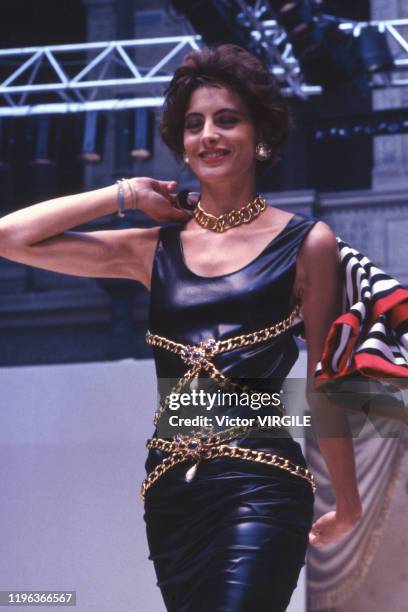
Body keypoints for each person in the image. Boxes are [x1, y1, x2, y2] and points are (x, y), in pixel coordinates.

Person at [0, 44, 363, 612]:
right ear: (182, 144)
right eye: (194, 125)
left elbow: (326, 382)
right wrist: (125, 194)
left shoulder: (306, 242)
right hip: (172, 496)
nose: (209, 136)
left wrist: (347, 502)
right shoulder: (152, 249)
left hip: (262, 485)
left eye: (227, 119)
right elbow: (9, 236)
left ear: (259, 135)